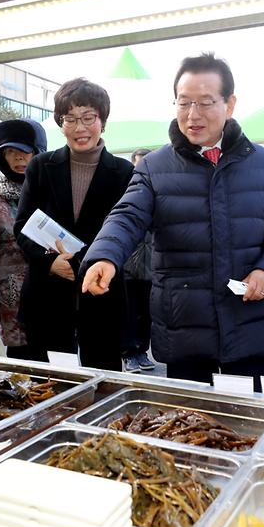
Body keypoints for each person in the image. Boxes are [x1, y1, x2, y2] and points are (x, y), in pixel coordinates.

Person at [81, 54, 264, 388]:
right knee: (190, 426)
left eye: (206, 102)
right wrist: (105, 256)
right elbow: (126, 216)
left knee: (252, 421)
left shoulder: (261, 162)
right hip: (185, 328)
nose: (193, 115)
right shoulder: (154, 167)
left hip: (249, 322)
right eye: (184, 103)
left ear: (230, 104)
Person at [14, 78, 133, 370]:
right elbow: (22, 226)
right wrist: (48, 263)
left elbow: (131, 232)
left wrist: (94, 262)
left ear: (102, 121)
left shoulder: (124, 172)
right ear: (60, 123)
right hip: (48, 293)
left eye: (88, 117)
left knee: (103, 379)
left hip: (102, 292)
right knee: (50, 380)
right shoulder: (41, 167)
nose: (80, 128)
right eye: (70, 119)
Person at [0, 119, 47, 360]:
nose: (18, 159)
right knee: (24, 382)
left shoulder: (53, 191)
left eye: (25, 152)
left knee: (63, 376)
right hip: (15, 307)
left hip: (55, 302)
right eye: (10, 152)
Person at [120, 147, 156, 373]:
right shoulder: (126, 192)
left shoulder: (159, 190)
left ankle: (142, 351)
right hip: (129, 264)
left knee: (147, 314)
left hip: (153, 264)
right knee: (128, 312)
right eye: (139, 164)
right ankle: (128, 354)